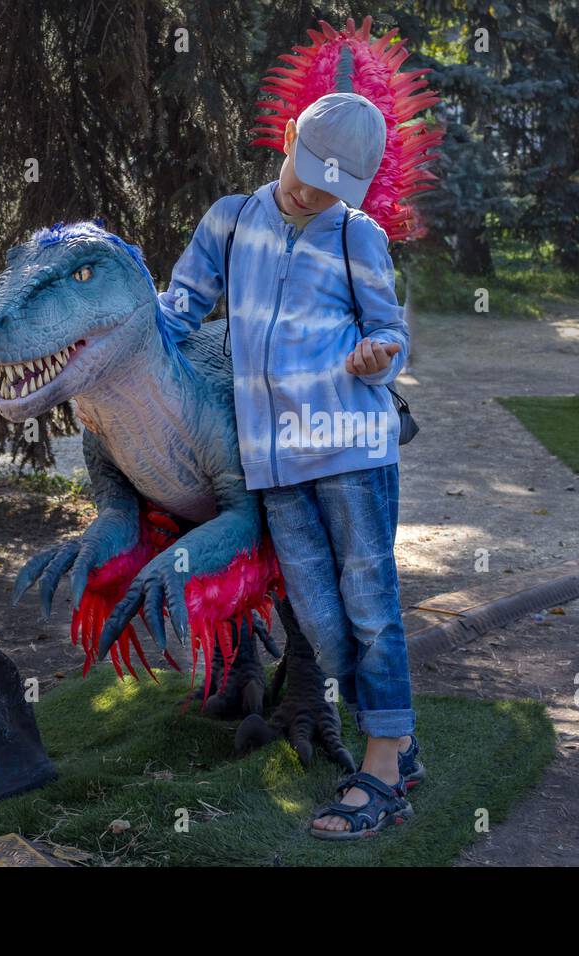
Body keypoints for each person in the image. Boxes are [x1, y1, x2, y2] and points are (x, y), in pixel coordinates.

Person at [157, 92, 423, 838]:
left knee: (371, 610)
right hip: (272, 463)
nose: (310, 192)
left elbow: (389, 334)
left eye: (331, 184)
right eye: (306, 171)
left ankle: (378, 777)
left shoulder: (357, 237)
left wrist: (378, 356)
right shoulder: (231, 220)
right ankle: (397, 744)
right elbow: (179, 308)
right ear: (285, 138)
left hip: (349, 448)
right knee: (322, 622)